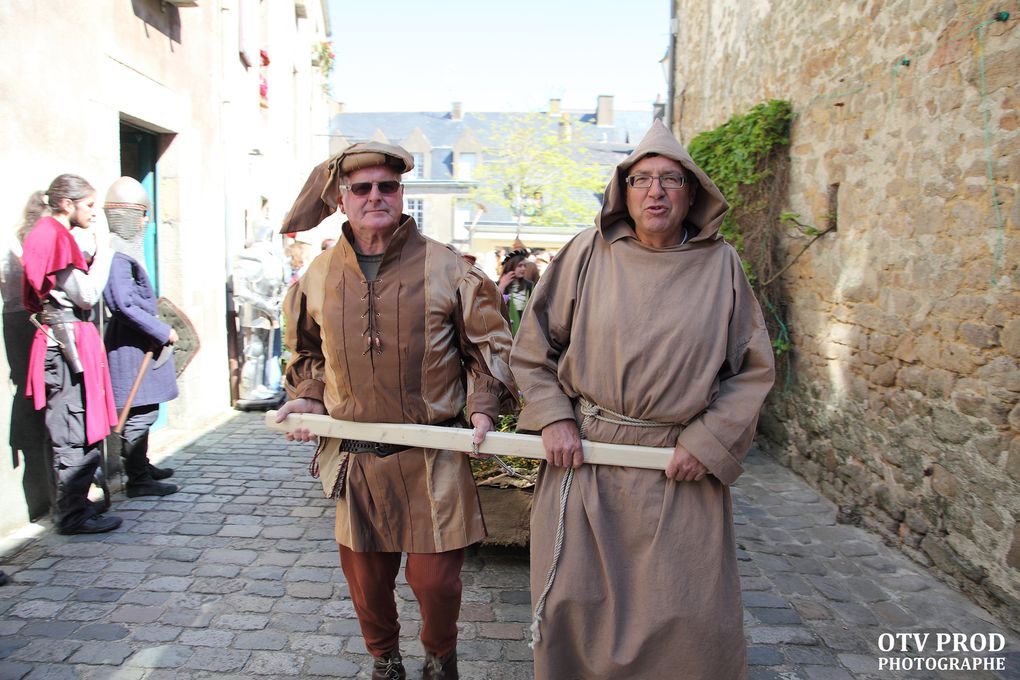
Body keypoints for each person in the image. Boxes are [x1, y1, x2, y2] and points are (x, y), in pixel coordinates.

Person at [510, 119, 775, 679]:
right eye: (642, 180)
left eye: (671, 180)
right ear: (623, 192)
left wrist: (708, 440)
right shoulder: (586, 253)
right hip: (588, 458)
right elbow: (534, 349)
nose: (655, 191)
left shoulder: (721, 266)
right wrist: (555, 418)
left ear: (692, 192)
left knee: (685, 615)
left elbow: (750, 371)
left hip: (676, 469)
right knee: (574, 606)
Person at [275, 141, 517, 680]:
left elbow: (490, 347)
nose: (375, 197)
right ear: (342, 199)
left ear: (402, 193)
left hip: (433, 455)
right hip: (356, 458)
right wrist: (310, 395)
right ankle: (385, 661)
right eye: (361, 189)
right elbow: (307, 350)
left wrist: (482, 406)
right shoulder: (317, 275)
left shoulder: (447, 267)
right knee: (366, 584)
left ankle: (440, 658)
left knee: (435, 583)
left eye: (387, 186)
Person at [20, 174, 121, 535]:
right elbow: (86, 294)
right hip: (64, 345)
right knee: (72, 430)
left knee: (79, 426)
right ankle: (72, 515)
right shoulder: (52, 236)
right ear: (68, 204)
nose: (94, 213)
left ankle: (79, 508)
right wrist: (106, 252)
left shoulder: (53, 234)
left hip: (70, 339)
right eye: (89, 205)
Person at [101, 177, 179, 498]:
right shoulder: (118, 257)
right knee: (139, 412)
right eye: (143, 214)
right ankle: (137, 478)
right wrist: (162, 330)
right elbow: (122, 304)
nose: (147, 220)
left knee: (145, 407)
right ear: (130, 216)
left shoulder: (124, 253)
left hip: (137, 342)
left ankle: (141, 466)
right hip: (130, 346)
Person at [232, 224, 286, 407]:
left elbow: (280, 285)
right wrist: (266, 305)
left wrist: (277, 302)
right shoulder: (248, 257)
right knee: (254, 352)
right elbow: (241, 292)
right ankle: (248, 390)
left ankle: (259, 386)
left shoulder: (271, 257)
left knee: (264, 351)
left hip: (270, 310)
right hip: (253, 313)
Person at [496, 249, 534, 336]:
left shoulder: (529, 286)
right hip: (504, 331)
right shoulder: (497, 285)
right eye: (520, 266)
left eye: (524, 266)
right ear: (511, 267)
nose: (523, 268)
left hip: (524, 331)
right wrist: (502, 286)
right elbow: (493, 305)